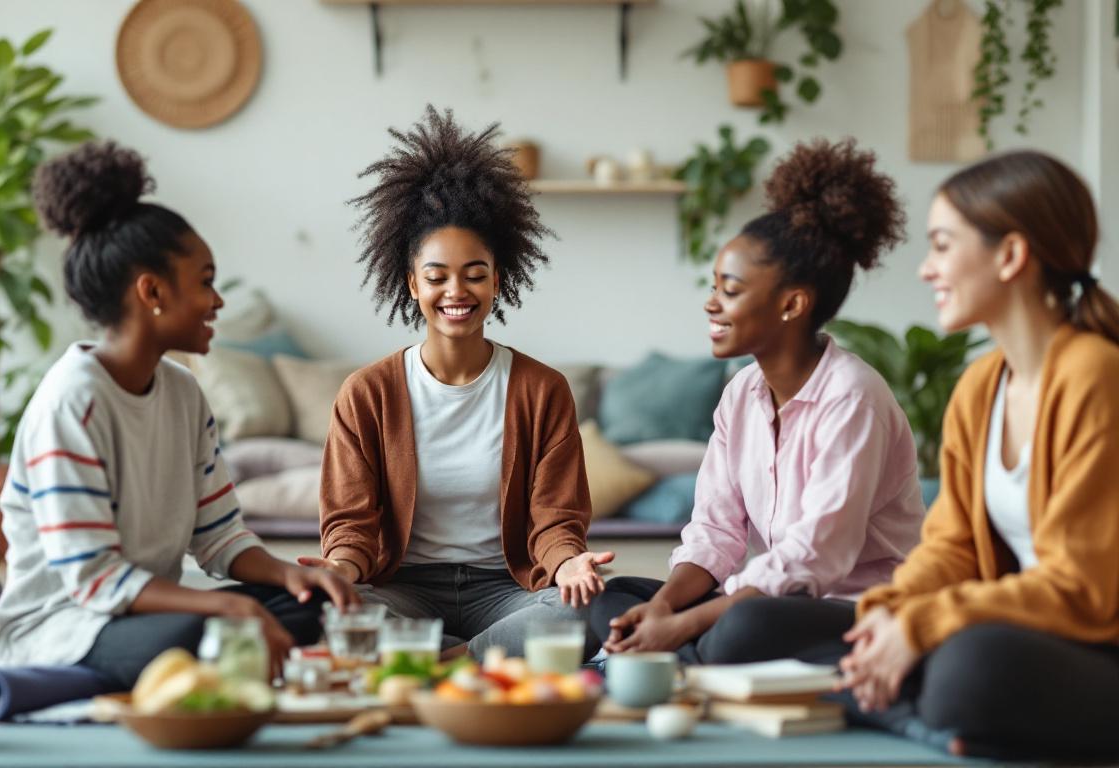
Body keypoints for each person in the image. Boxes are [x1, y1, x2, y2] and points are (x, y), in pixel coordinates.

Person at [0, 142, 356, 689]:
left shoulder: (183, 393)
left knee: (315, 606)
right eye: (205, 281)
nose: (217, 301)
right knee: (205, 636)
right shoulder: (72, 403)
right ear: (152, 291)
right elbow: (93, 578)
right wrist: (228, 612)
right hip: (64, 625)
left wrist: (290, 577)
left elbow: (219, 538)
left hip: (144, 611)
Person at [591, 138, 923, 665]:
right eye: (715, 286)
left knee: (744, 627)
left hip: (849, 605)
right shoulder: (741, 394)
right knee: (611, 600)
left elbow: (815, 557)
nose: (711, 302)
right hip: (770, 594)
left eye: (731, 289)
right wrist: (663, 611)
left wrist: (686, 622)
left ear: (792, 303)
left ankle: (681, 651)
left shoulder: (853, 398)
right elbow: (714, 531)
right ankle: (678, 649)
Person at [300, 106, 610, 659]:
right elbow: (353, 524)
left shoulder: (543, 390)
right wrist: (339, 570)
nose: (456, 292)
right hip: (404, 586)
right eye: (437, 277)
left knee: (584, 609)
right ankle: (481, 657)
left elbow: (555, 518)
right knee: (327, 609)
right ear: (412, 285)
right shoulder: (367, 394)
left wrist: (569, 565)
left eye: (475, 274)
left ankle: (440, 659)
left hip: (507, 589)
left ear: (498, 280)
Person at [839, 150, 1119, 761]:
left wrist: (923, 626)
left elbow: (1083, 589)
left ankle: (911, 706)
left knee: (970, 669)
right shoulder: (980, 385)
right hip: (1021, 625)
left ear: (1012, 255)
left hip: (1094, 642)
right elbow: (952, 545)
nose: (926, 270)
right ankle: (925, 712)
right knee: (756, 630)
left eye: (941, 245)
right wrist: (889, 611)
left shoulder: (1095, 376)